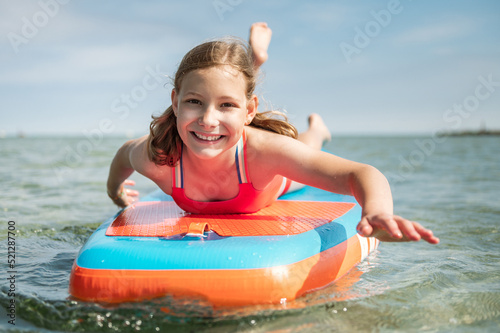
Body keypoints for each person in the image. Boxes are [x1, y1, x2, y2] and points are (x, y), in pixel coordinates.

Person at [107, 23, 439, 244]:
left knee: (303, 145)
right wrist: (115, 191)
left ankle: (318, 128)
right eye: (194, 102)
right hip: (239, 132)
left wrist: (377, 210)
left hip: (268, 177)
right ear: (175, 102)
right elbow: (124, 154)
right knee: (224, 107)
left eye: (226, 106)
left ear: (251, 111)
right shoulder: (161, 156)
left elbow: (359, 174)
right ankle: (253, 64)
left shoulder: (265, 153)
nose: (207, 120)